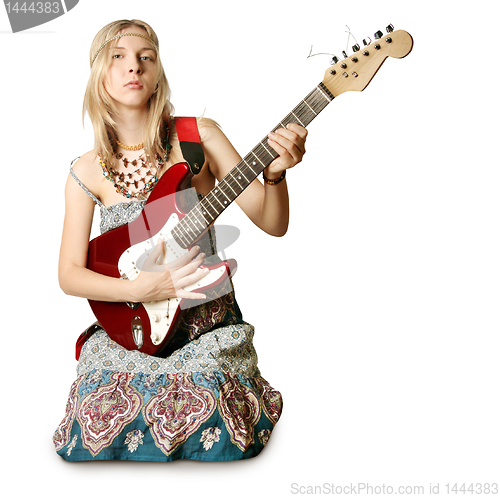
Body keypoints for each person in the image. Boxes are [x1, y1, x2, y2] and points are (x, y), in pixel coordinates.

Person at [53, 19, 307, 462]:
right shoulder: (85, 172)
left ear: (158, 73)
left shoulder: (197, 136)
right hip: (133, 327)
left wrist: (275, 174)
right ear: (100, 74)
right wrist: (139, 290)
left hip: (204, 324)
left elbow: (272, 221)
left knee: (214, 413)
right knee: (95, 410)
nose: (134, 66)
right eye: (119, 57)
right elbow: (70, 275)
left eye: (145, 57)